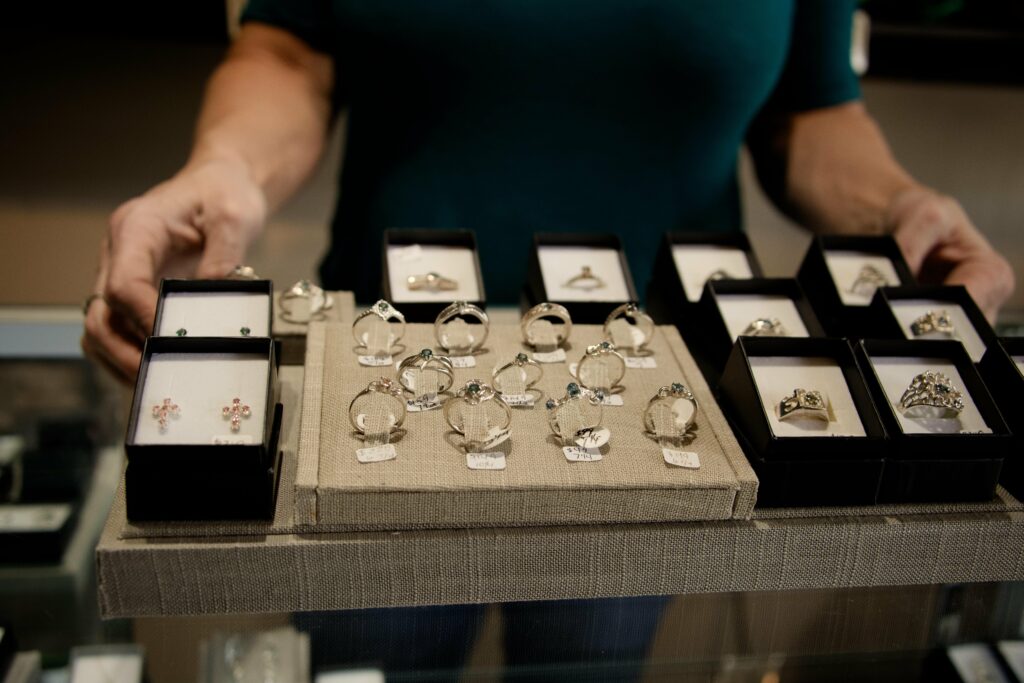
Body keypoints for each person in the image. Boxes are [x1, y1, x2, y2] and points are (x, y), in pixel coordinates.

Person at [82, 0, 1013, 383]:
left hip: (660, 378)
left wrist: (898, 208)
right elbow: (288, 47)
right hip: (389, 363)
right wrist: (227, 167)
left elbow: (807, 110)